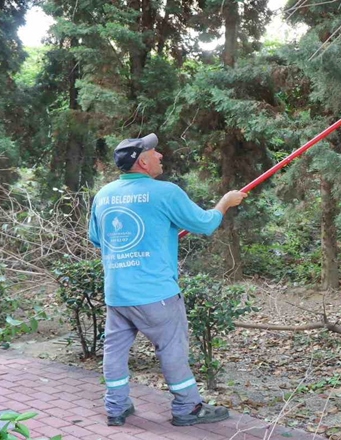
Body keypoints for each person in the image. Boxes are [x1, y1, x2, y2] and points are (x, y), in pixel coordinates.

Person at [88, 133, 247, 427]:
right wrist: (225, 202)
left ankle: (116, 407)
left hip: (117, 293)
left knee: (115, 351)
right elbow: (206, 223)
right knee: (172, 349)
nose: (160, 155)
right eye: (154, 152)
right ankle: (187, 408)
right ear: (142, 161)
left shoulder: (103, 195)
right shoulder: (165, 192)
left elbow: (98, 239)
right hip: (156, 294)